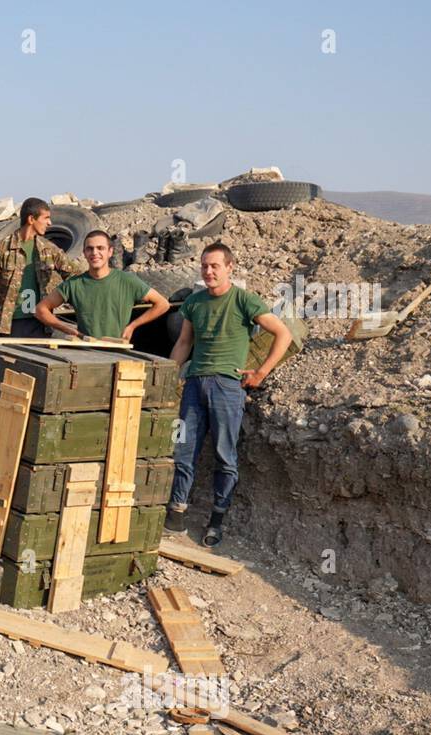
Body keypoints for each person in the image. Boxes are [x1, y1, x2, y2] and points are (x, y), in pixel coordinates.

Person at [166, 242, 292, 546]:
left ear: (229, 268)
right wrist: (168, 375)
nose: (209, 272)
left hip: (227, 387)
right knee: (183, 451)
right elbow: (184, 343)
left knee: (225, 456)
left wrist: (261, 373)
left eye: (215, 266)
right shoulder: (194, 303)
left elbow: (283, 333)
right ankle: (176, 513)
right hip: (194, 386)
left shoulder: (244, 300)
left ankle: (216, 520)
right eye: (204, 266)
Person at [0, 197, 85, 338]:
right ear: (31, 219)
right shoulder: (1, 249)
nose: (50, 223)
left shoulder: (49, 250)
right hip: (10, 325)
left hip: (40, 324)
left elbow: (75, 276)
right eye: (46, 218)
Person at [35, 230, 170, 340]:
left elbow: (162, 304)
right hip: (86, 355)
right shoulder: (74, 284)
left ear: (110, 252)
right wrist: (66, 329)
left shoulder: (127, 281)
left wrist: (132, 326)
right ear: (84, 253)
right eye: (90, 249)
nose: (95, 253)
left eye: (100, 248)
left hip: (119, 354)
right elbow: (40, 310)